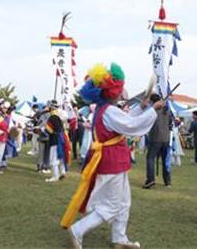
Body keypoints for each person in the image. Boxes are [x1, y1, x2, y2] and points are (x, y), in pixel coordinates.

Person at [62, 63, 163, 249]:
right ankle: (78, 230)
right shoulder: (109, 111)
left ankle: (120, 238)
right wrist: (152, 110)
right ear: (112, 91)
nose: (121, 92)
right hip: (111, 160)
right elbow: (131, 126)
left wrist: (142, 108)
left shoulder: (105, 110)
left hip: (114, 160)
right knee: (112, 205)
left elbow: (126, 120)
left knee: (124, 202)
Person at [142, 93, 173, 189]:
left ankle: (150, 180)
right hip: (166, 139)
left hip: (155, 138)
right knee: (165, 160)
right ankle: (167, 181)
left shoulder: (153, 111)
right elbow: (170, 124)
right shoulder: (167, 110)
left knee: (150, 158)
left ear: (152, 101)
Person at [43, 101, 71, 182]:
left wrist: (44, 127)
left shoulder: (52, 118)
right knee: (61, 157)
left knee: (53, 159)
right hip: (61, 139)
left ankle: (55, 176)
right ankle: (62, 172)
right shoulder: (59, 118)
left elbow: (50, 130)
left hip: (55, 139)